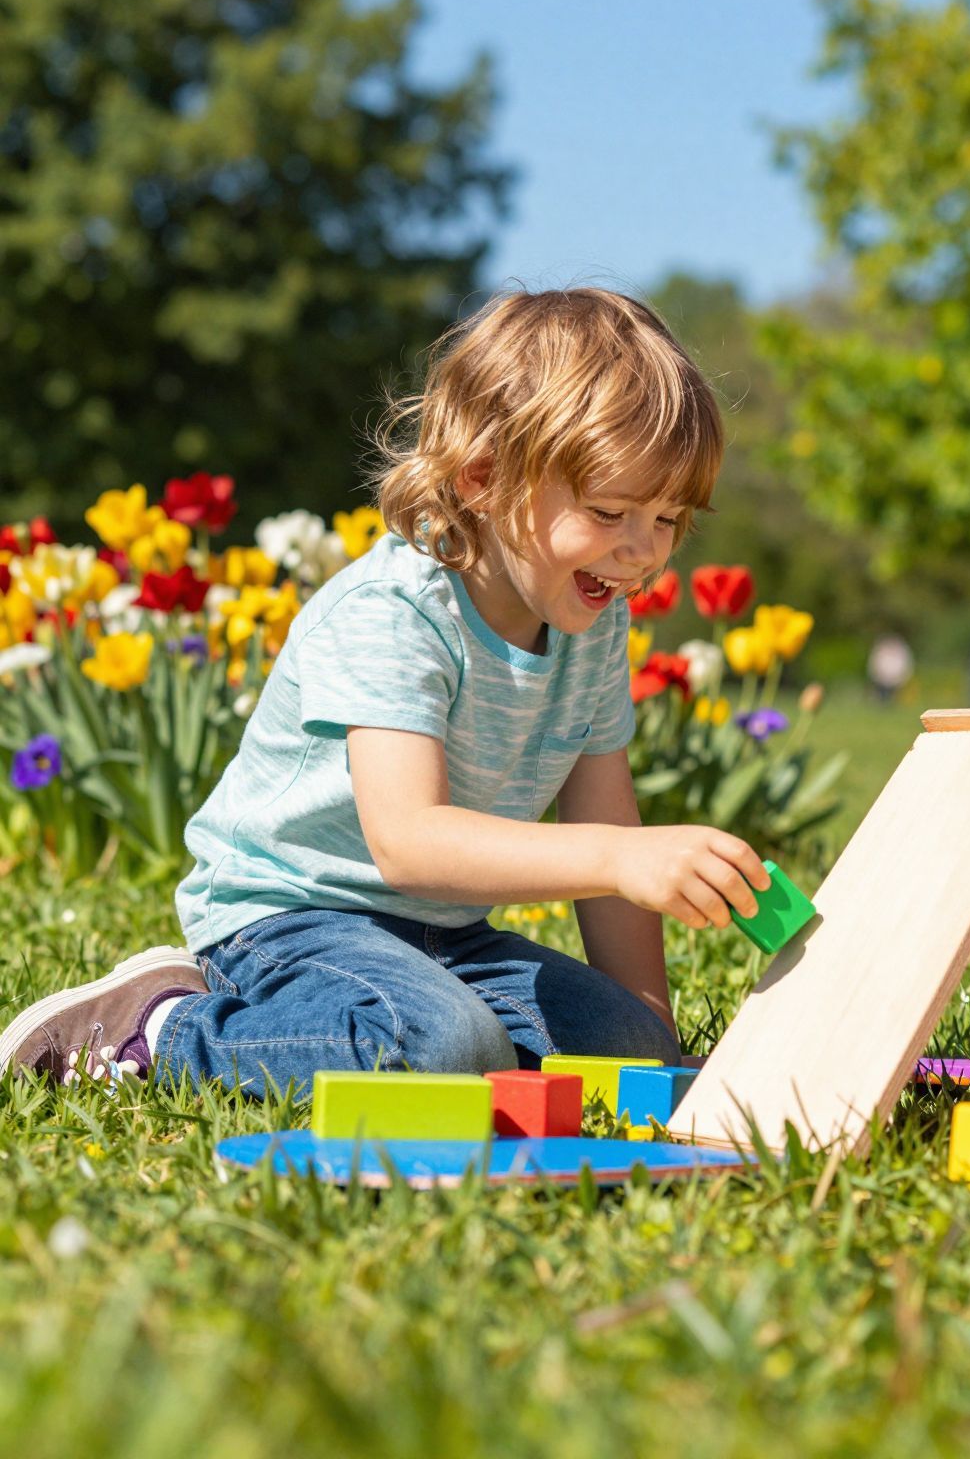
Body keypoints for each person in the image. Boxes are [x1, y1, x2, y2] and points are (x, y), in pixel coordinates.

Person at [1, 288, 771, 1090]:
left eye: (669, 518)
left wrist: (655, 1051)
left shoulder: (594, 625)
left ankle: (413, 1026)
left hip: (443, 935)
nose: (643, 551)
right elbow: (410, 843)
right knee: (437, 1049)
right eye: (611, 511)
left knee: (618, 1048)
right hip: (288, 916)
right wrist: (621, 857)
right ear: (483, 479)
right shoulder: (395, 611)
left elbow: (606, 822)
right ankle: (155, 1027)